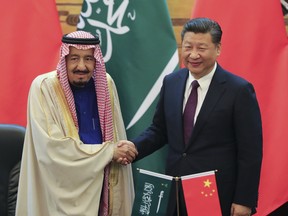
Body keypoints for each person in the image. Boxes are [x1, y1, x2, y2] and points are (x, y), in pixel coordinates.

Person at [132, 18, 262, 216]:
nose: (193, 55)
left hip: (216, 193)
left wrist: (244, 200)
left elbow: (250, 152)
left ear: (217, 49)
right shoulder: (171, 82)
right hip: (175, 190)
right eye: (187, 47)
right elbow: (159, 130)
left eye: (201, 48)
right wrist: (133, 148)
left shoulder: (239, 90)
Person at [15, 31, 138, 216]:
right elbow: (53, 151)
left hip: (102, 184)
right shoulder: (44, 87)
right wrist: (110, 152)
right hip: (59, 192)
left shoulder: (106, 84)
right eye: (74, 58)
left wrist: (121, 150)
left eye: (88, 58)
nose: (81, 66)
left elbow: (116, 135)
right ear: (64, 59)